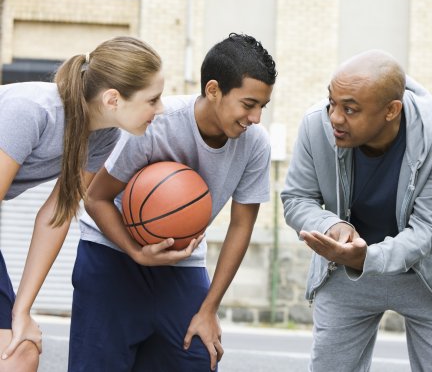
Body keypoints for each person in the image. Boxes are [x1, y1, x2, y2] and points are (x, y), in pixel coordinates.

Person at [69, 33, 276, 372]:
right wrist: (135, 251)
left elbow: (241, 225)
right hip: (112, 254)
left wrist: (209, 309)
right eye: (248, 104)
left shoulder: (256, 144)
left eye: (262, 107)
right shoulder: (156, 123)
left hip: (182, 263)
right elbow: (97, 197)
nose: (255, 118)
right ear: (213, 90)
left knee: (198, 359)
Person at [281, 50, 432, 372]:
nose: (335, 117)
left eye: (350, 109)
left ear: (391, 111)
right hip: (346, 272)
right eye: (332, 103)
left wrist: (367, 258)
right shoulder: (316, 125)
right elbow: (297, 197)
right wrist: (330, 224)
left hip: (430, 275)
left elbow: (430, 230)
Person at [0, 36, 164, 372]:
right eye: (153, 99)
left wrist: (22, 311)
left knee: (20, 353)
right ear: (113, 99)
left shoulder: (104, 134)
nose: (160, 109)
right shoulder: (31, 111)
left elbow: (56, 215)